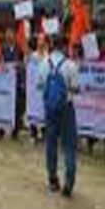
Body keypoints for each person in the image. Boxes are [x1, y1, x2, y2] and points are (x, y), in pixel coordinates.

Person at [37, 34, 79, 197]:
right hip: (66, 108)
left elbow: (40, 86)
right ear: (64, 47)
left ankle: (53, 180)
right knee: (69, 145)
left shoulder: (43, 64)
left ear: (51, 46)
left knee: (51, 143)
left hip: (49, 109)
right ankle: (69, 182)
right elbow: (75, 88)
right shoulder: (71, 65)